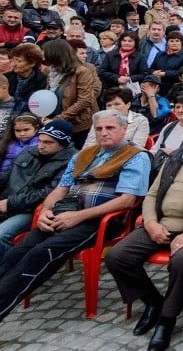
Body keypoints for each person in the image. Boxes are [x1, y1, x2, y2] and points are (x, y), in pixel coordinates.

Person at [0, 109, 151, 322]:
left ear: (124, 130)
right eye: (99, 129)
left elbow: (127, 200)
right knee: (18, 251)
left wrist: (78, 217)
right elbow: (61, 189)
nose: (103, 133)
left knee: (42, 253)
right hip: (66, 213)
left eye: (110, 128)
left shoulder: (136, 156)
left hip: (100, 221)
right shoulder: (84, 155)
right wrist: (44, 212)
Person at [105, 117, 183, 350]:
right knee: (117, 256)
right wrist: (152, 223)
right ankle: (154, 302)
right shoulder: (174, 157)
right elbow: (152, 194)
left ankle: (167, 320)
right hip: (160, 223)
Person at [0, 120, 76, 257]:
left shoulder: (71, 160)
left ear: (63, 144)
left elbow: (49, 192)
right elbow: (5, 176)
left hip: (31, 210)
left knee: (1, 235)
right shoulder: (29, 151)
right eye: (40, 140)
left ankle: (6, 271)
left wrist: (11, 203)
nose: (41, 146)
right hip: (6, 202)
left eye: (48, 143)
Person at [44, 39, 101, 149]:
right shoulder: (51, 72)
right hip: (54, 121)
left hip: (77, 126)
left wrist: (60, 118)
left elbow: (85, 100)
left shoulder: (81, 71)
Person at [83, 87, 150, 148]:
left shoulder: (140, 120)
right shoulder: (99, 121)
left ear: (128, 104)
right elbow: (88, 146)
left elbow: (137, 146)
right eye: (109, 105)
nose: (112, 108)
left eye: (117, 104)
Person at [4, 42, 46, 114]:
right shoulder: (6, 77)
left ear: (32, 63)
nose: (14, 64)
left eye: (19, 61)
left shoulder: (42, 80)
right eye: (14, 60)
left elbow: (33, 105)